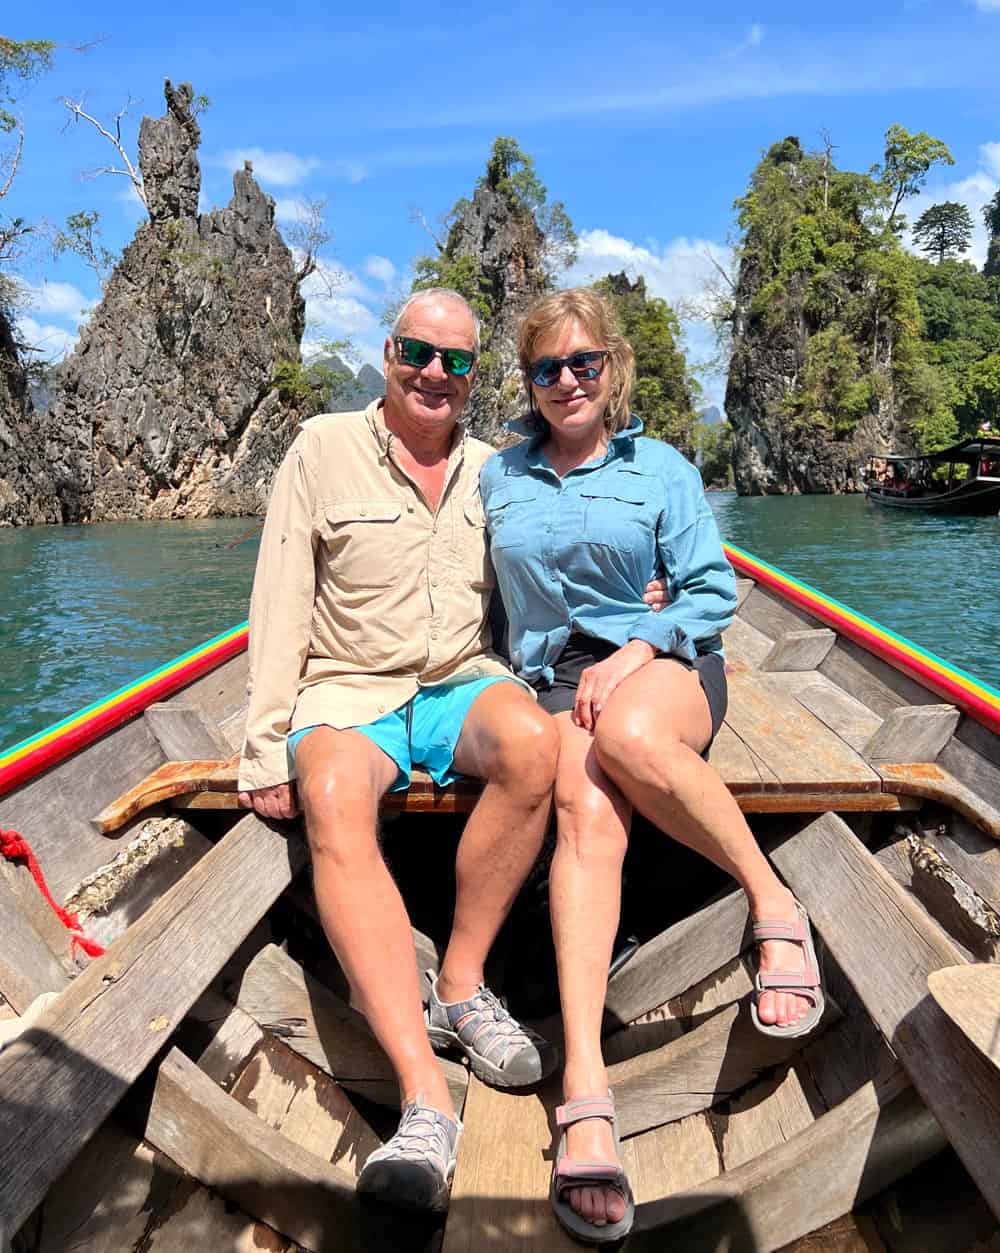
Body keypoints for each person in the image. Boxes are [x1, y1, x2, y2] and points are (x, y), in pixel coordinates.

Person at [480, 289, 825, 1243]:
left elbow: (713, 588)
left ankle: (771, 900)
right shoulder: (498, 477)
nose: (566, 382)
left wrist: (643, 646)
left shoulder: (662, 468)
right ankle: (585, 1080)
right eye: (547, 368)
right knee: (585, 810)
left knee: (630, 739)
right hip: (556, 681)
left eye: (583, 362)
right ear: (529, 381)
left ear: (612, 367)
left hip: (668, 662)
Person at [237, 288, 566, 1213]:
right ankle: (426, 1098)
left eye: (456, 361)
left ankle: (460, 981)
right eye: (419, 353)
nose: (434, 373)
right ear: (389, 353)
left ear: (474, 375)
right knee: (334, 791)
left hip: (460, 674)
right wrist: (267, 744)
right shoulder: (321, 447)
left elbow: (548, 569)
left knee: (535, 747)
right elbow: (281, 592)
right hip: (348, 684)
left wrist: (643, 610)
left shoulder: (495, 472)